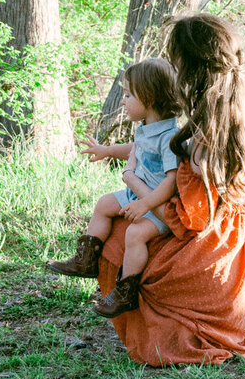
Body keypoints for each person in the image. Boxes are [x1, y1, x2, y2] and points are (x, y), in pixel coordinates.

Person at [95, 13, 245, 366]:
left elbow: (184, 220)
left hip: (214, 267)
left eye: (176, 63)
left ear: (192, 69)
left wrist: (135, 183)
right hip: (239, 260)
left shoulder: (209, 136)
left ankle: (177, 321)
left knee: (120, 232)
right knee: (128, 224)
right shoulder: (240, 115)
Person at [47, 58, 181, 313]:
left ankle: (126, 291)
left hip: (157, 204)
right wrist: (107, 150)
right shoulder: (146, 128)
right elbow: (135, 148)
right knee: (104, 203)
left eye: (129, 95)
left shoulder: (169, 136)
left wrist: (146, 204)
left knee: (135, 234)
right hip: (136, 194)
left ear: (149, 97)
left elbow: (172, 179)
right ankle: (86, 260)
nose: (123, 100)